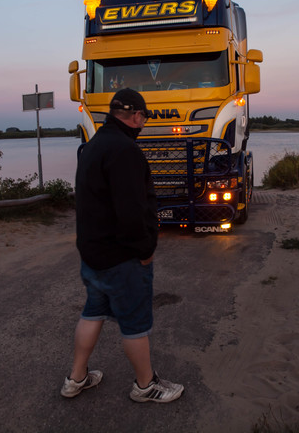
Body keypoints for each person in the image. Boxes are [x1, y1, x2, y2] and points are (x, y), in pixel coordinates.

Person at [61, 88, 184, 403]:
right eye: (143, 118)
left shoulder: (93, 146)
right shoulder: (125, 150)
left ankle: (76, 378)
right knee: (134, 322)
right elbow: (131, 210)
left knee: (93, 312)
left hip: (93, 255)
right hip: (121, 257)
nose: (142, 125)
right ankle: (146, 386)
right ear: (138, 116)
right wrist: (144, 250)